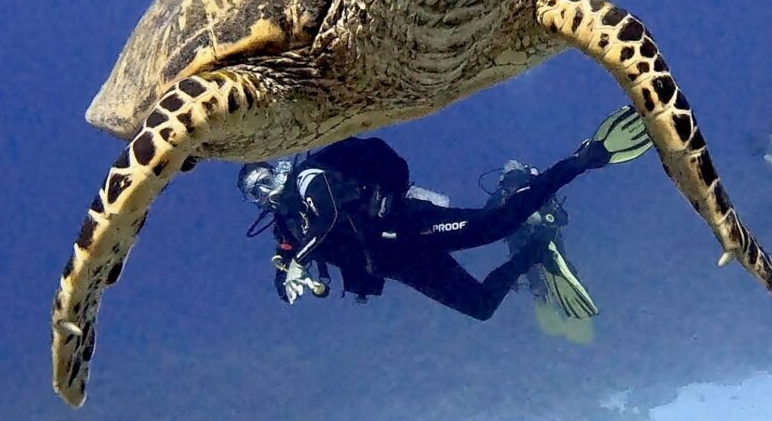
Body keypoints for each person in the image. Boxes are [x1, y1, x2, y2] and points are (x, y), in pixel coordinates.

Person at [238, 106, 651, 320]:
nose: (263, 191)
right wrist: (287, 280)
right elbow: (285, 263)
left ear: (277, 168)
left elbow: (328, 218)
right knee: (480, 307)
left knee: (496, 225)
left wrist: (300, 262)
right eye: (254, 192)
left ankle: (582, 160)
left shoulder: (308, 179)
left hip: (408, 226)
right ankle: (537, 250)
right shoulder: (286, 225)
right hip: (398, 263)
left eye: (263, 178)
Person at [484, 160, 597, 343]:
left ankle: (574, 311)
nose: (514, 189)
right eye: (510, 184)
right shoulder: (499, 200)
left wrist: (543, 218)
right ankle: (545, 305)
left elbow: (562, 218)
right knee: (536, 281)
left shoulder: (539, 194)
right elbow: (484, 222)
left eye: (517, 183)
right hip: (522, 248)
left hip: (548, 243)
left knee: (563, 270)